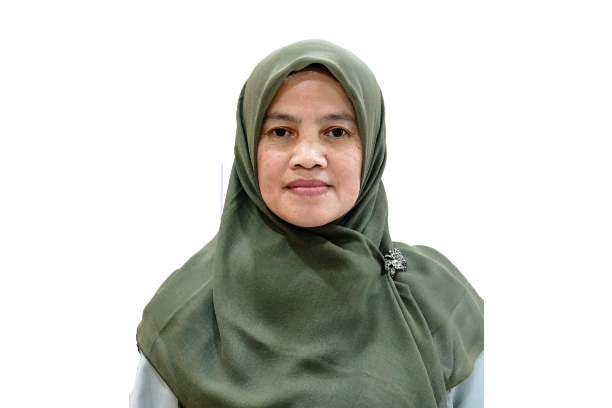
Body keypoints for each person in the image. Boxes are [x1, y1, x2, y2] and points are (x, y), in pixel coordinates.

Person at [131, 39, 484, 408]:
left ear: (372, 146)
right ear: (248, 147)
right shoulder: (188, 315)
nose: (308, 157)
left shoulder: (440, 303)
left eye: (337, 132)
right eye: (281, 132)